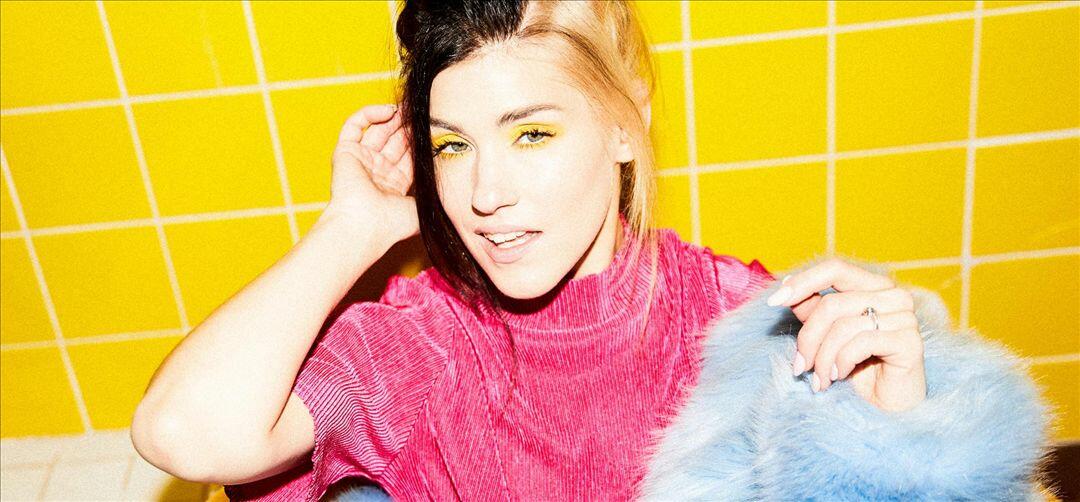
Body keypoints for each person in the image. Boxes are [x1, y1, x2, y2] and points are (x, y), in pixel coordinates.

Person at [131, 1, 1056, 501]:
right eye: (451, 145)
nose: (484, 194)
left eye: (531, 133)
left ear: (624, 124)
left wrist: (896, 438)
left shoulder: (744, 327)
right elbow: (182, 435)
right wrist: (355, 229)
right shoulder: (424, 344)